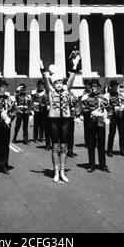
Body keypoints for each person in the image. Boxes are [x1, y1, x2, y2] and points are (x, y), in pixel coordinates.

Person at [39, 54, 79, 183]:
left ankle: (62, 171)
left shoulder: (67, 90)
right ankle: (56, 171)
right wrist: (42, 68)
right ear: (54, 83)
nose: (59, 84)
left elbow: (71, 78)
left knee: (64, 146)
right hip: (54, 121)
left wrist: (74, 65)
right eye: (57, 82)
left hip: (65, 120)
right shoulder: (50, 91)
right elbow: (45, 80)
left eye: (61, 82)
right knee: (55, 146)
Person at [78, 79, 110, 173]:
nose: (93, 88)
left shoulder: (103, 97)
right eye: (92, 86)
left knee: (101, 144)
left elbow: (109, 108)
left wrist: (108, 118)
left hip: (100, 123)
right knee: (91, 145)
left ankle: (102, 165)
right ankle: (91, 165)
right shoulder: (86, 97)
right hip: (91, 124)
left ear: (99, 87)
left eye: (95, 86)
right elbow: (83, 108)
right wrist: (91, 111)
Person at [106, 80, 124, 158]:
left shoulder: (121, 95)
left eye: (116, 86)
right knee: (112, 133)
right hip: (112, 116)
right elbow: (106, 105)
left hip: (121, 116)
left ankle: (122, 150)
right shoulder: (108, 95)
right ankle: (109, 150)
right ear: (111, 87)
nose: (115, 87)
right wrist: (113, 107)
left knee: (122, 133)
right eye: (114, 86)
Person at [79, 79, 91, 148]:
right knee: (86, 128)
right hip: (86, 112)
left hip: (92, 112)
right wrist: (81, 113)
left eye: (89, 85)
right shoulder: (83, 93)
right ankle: (87, 142)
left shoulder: (92, 92)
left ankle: (93, 141)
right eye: (86, 85)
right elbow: (81, 104)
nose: (87, 86)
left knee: (93, 128)